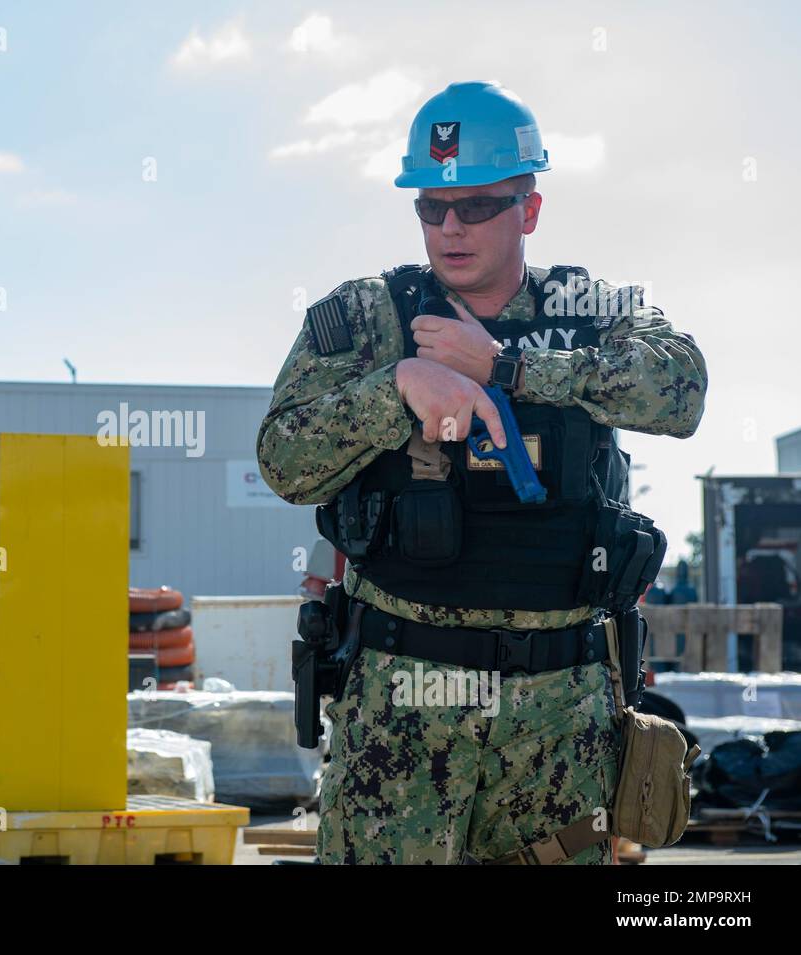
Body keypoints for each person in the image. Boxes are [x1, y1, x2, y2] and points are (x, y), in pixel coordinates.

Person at [258, 82, 707, 864]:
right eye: (432, 208)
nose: (451, 228)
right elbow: (285, 462)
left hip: (559, 719)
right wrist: (397, 388)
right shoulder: (367, 317)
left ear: (528, 209)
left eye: (476, 206)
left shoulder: (586, 308)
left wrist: (513, 369)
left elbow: (681, 389)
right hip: (404, 705)